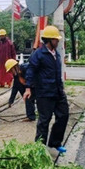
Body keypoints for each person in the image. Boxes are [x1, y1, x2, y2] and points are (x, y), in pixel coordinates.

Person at [24, 25, 68, 156]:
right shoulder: (38, 54)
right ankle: (39, 148)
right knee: (44, 120)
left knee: (63, 115)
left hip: (58, 91)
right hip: (44, 93)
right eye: (56, 39)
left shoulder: (56, 54)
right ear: (49, 40)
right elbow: (30, 71)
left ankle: (55, 142)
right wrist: (28, 88)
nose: (58, 41)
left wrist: (61, 88)